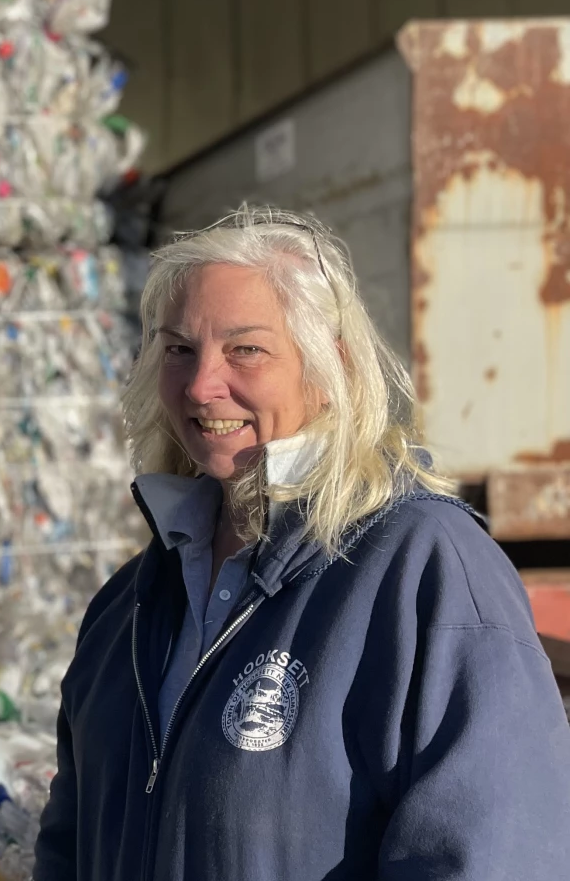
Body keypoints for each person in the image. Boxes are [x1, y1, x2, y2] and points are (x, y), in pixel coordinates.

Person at [33, 205, 570, 880]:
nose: (202, 385)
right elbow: (66, 850)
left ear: (328, 366)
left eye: (245, 349)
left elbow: (496, 856)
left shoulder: (421, 569)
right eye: (178, 349)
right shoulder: (126, 610)